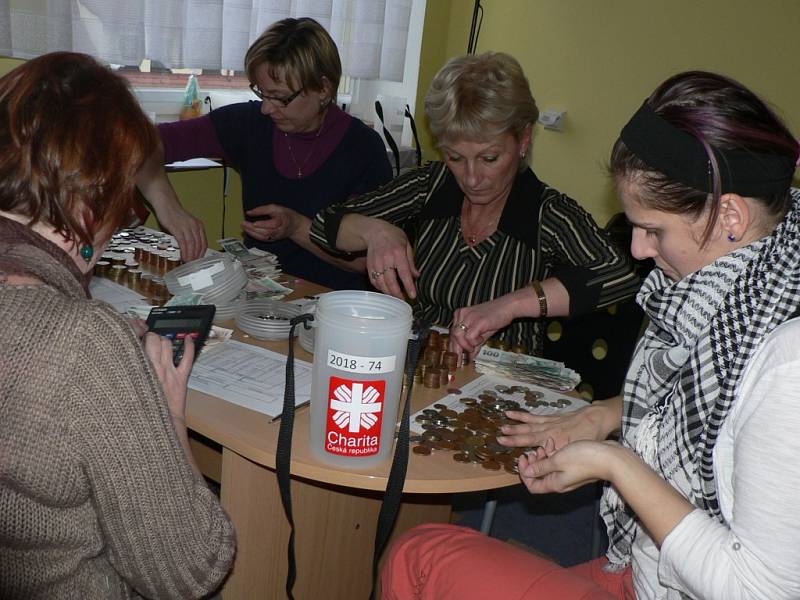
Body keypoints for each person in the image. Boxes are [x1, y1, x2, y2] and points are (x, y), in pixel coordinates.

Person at [381, 70, 800, 599]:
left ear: (731, 216)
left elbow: (760, 590)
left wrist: (614, 463)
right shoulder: (746, 290)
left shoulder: (789, 367)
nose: (639, 251)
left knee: (418, 555)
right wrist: (603, 414)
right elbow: (719, 411)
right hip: (649, 566)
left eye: (654, 231)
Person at [0, 52, 236, 599]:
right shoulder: (87, 344)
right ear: (89, 203)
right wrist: (165, 411)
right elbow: (189, 571)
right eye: (124, 198)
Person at [309, 52, 639, 358]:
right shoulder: (431, 186)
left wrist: (509, 306)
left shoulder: (547, 214)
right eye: (455, 157)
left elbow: (618, 275)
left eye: (489, 158)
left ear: (523, 140)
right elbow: (324, 225)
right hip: (423, 368)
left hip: (500, 389)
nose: (471, 177)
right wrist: (374, 231)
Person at [138, 17, 393, 289]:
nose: (266, 109)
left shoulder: (363, 149)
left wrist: (296, 227)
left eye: (280, 97)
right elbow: (136, 143)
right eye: (262, 93)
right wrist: (168, 204)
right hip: (260, 295)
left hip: (336, 303)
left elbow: (363, 261)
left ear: (324, 88)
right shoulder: (248, 125)